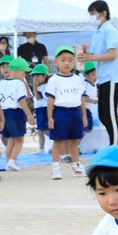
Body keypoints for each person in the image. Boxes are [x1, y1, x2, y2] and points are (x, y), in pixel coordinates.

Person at [78, 0, 118, 145]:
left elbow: (112, 54)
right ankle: (116, 143)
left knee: (109, 115)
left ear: (103, 13)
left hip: (112, 78)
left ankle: (115, 146)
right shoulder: (98, 32)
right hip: (103, 78)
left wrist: (90, 57)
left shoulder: (110, 30)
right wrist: (87, 53)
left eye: (93, 13)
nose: (92, 17)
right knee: (104, 115)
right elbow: (97, 54)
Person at [45, 48, 89, 180]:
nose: (67, 63)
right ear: (56, 62)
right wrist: (50, 117)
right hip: (60, 112)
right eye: (63, 60)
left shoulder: (77, 79)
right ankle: (55, 168)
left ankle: (77, 166)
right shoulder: (53, 80)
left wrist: (84, 115)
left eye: (70, 60)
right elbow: (50, 100)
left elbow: (81, 98)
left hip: (75, 112)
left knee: (74, 141)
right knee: (58, 141)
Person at [0, 55, 34, 172]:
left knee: (10, 140)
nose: (25, 76)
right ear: (18, 72)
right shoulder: (19, 84)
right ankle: (12, 160)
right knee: (19, 140)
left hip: (3, 113)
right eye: (24, 73)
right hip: (15, 113)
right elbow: (22, 100)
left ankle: (8, 162)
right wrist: (29, 114)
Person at [30, 64, 50, 154]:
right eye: (34, 75)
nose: (35, 78)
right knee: (39, 130)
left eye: (38, 75)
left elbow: (38, 97)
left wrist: (34, 86)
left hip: (44, 109)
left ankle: (60, 143)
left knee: (46, 130)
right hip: (39, 109)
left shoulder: (46, 87)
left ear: (44, 76)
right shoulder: (39, 87)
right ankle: (41, 148)